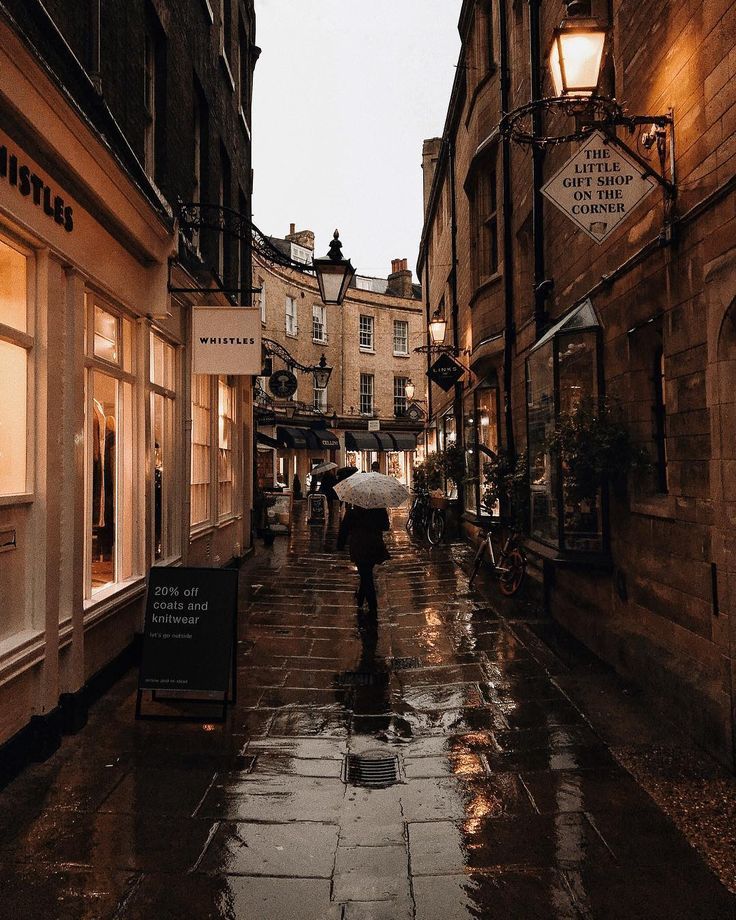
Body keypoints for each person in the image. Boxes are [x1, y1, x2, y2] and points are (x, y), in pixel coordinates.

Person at [337, 504, 390, 621]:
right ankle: (360, 600)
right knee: (366, 573)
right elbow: (386, 526)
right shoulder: (379, 509)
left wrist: (340, 546)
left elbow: (344, 529)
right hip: (374, 546)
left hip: (358, 547)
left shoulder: (352, 512)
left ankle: (372, 604)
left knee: (366, 575)